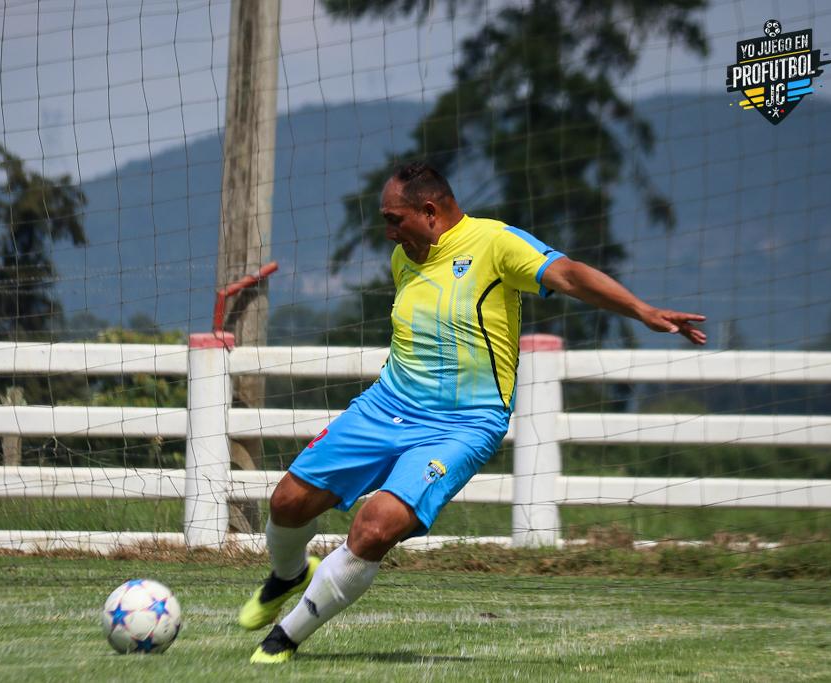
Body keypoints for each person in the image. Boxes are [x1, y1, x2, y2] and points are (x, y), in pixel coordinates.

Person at [240, 162, 707, 663]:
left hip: (463, 425)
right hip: (387, 405)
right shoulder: (405, 258)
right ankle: (289, 574)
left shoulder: (496, 244)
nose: (387, 232)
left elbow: (568, 274)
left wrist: (642, 311)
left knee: (374, 529)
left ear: (430, 212)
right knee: (287, 502)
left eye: (394, 219)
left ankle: (283, 639)